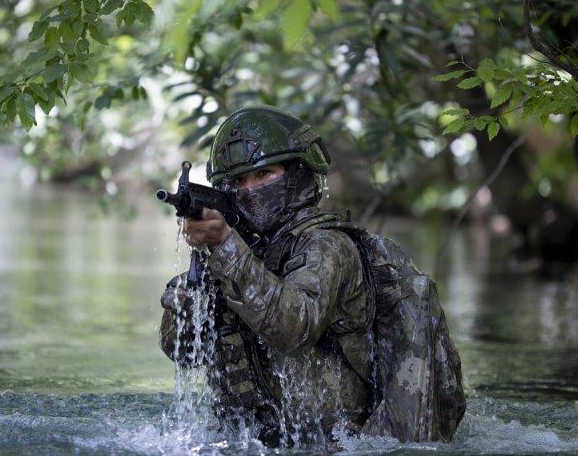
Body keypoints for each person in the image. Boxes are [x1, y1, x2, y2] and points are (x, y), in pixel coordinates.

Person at [159, 105, 465, 448]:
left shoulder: (328, 246)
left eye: (264, 174)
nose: (250, 189)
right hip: (257, 442)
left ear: (298, 174)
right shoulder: (240, 252)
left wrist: (225, 247)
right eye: (238, 181)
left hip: (342, 444)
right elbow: (182, 353)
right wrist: (197, 281)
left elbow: (294, 327)